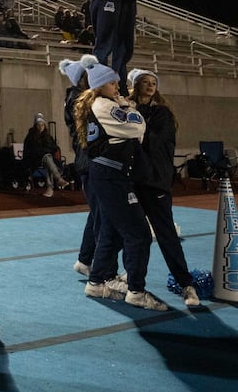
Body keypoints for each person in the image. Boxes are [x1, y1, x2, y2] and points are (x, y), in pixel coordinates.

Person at [76, 57, 168, 310]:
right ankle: (136, 290)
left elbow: (133, 128)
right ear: (100, 86)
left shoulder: (109, 104)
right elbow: (137, 128)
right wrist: (131, 113)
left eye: (117, 81)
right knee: (139, 234)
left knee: (111, 229)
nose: (118, 85)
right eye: (112, 82)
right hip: (111, 176)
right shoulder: (103, 105)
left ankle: (96, 282)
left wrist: (129, 113)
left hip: (111, 175)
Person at [127, 69, 199, 306]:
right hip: (132, 182)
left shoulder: (162, 114)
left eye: (153, 83)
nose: (150, 86)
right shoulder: (127, 109)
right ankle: (132, 282)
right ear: (135, 85)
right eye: (145, 82)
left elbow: (151, 141)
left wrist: (131, 119)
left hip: (155, 182)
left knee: (167, 234)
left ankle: (186, 284)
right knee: (132, 235)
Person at [60, 57, 99, 276]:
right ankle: (87, 260)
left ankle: (86, 259)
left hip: (89, 160)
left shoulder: (81, 97)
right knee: (99, 212)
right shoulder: (78, 100)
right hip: (88, 161)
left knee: (100, 212)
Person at [23, 113, 67, 197]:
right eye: (39, 125)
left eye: (42, 125)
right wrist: (44, 152)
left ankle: (50, 189)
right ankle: (57, 180)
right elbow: (30, 150)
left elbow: (54, 148)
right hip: (35, 160)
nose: (41, 127)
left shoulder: (47, 136)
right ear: (35, 126)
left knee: (48, 159)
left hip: (48, 159)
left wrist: (46, 151)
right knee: (47, 158)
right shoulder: (31, 137)